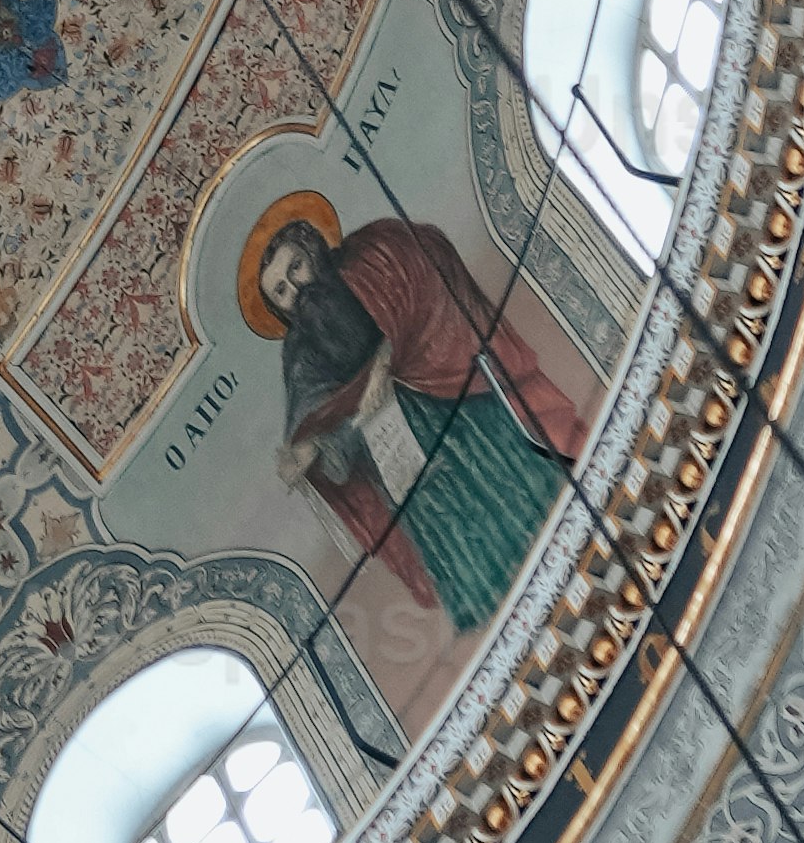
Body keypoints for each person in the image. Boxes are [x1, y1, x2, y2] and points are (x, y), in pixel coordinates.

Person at [253, 202, 595, 638]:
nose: (296, 289)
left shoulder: (374, 255)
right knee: (462, 542)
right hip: (404, 464)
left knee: (519, 492)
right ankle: (506, 633)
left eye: (296, 267)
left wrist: (385, 362)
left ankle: (578, 539)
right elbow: (320, 421)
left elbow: (426, 283)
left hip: (456, 403)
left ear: (315, 249)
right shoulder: (301, 354)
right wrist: (310, 453)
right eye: (281, 291)